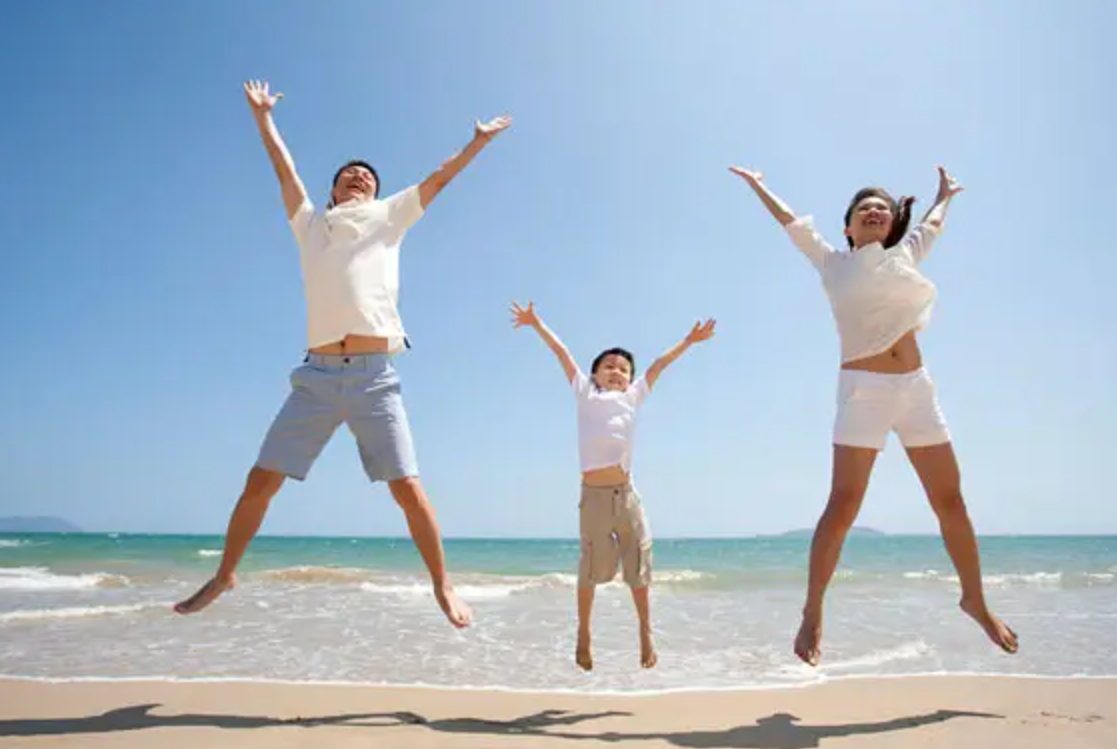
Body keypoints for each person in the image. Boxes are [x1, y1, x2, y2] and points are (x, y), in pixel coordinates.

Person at [175, 80, 512, 628]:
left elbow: (439, 179)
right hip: (315, 377)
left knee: (407, 488)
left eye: (368, 176)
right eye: (348, 174)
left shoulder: (389, 218)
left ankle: (442, 584)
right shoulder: (312, 226)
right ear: (332, 193)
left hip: (375, 378)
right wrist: (264, 118)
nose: (358, 176)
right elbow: (284, 171)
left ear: (378, 194)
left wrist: (476, 142)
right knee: (260, 482)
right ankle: (225, 573)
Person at [729, 164, 1019, 665]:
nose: (875, 211)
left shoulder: (904, 255)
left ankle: (975, 599)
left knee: (950, 500)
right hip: (863, 392)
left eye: (882, 208)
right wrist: (758, 184)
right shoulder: (832, 262)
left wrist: (945, 195)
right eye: (864, 208)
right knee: (843, 504)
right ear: (848, 226)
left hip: (917, 390)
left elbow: (932, 225)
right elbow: (791, 222)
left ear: (890, 223)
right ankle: (813, 610)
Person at [510, 300, 716, 670]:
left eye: (623, 369)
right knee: (591, 568)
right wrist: (536, 322)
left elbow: (658, 365)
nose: (616, 372)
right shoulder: (584, 392)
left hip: (626, 495)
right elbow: (561, 351)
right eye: (608, 366)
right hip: (593, 498)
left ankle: (645, 631)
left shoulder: (634, 396)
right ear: (594, 374)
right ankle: (584, 633)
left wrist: (689, 341)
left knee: (638, 564)